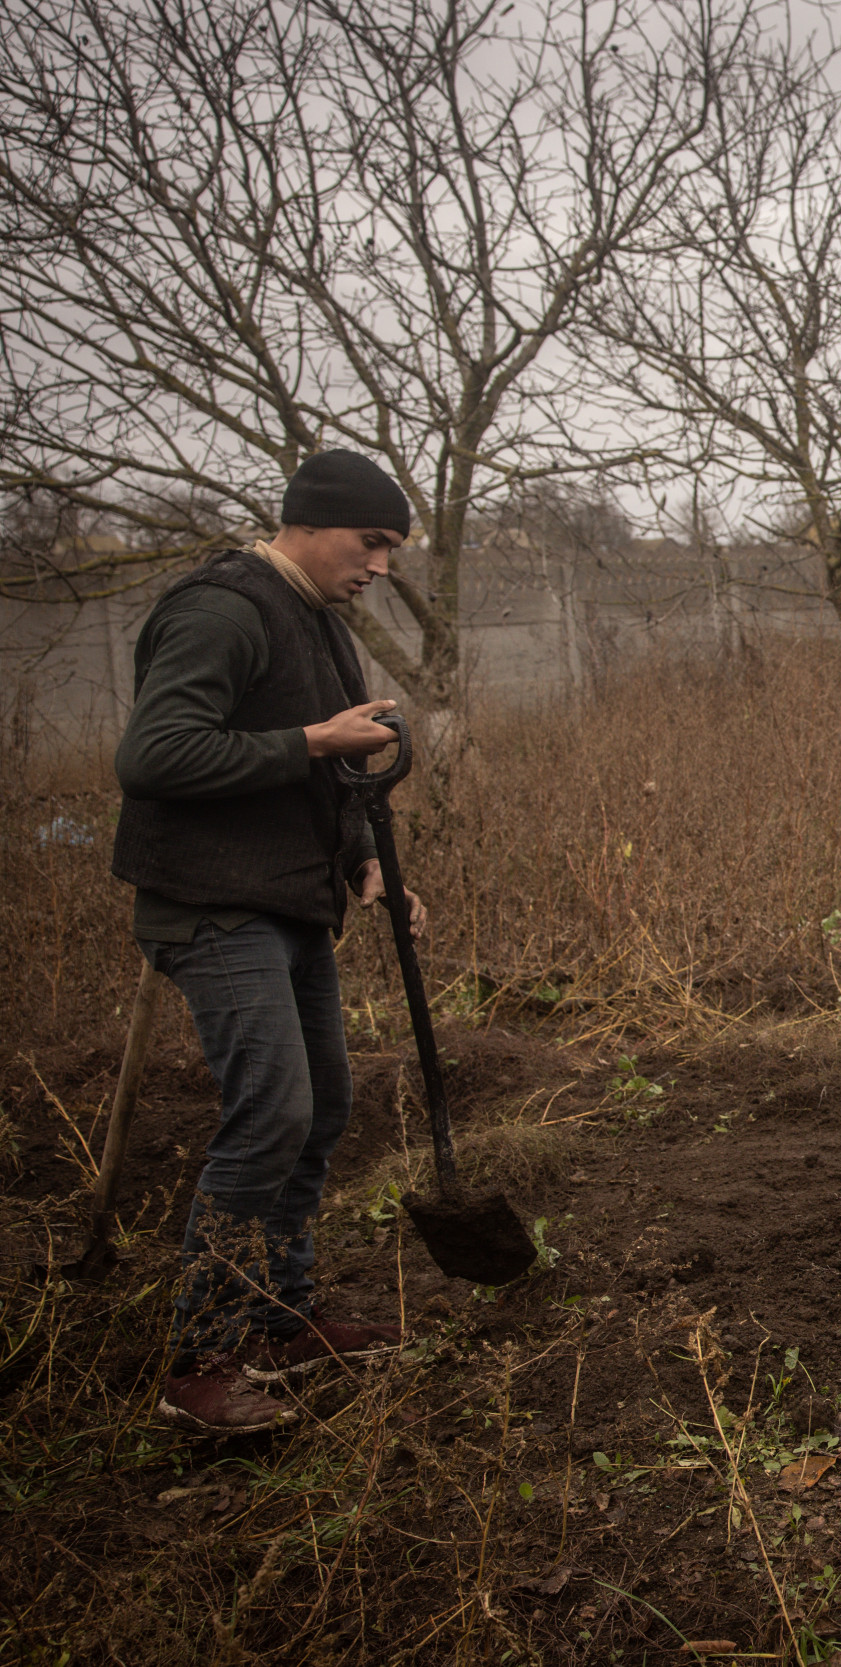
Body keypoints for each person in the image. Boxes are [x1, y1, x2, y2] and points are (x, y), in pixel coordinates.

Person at [113, 450, 427, 1434]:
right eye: (369, 540)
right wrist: (309, 742)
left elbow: (344, 761)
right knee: (272, 1110)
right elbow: (154, 754)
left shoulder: (320, 622)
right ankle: (199, 1366)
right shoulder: (223, 609)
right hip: (213, 904)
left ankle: (280, 1314)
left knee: (321, 1104)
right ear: (310, 521)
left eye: (392, 547)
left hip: (289, 899)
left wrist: (365, 862)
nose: (380, 562)